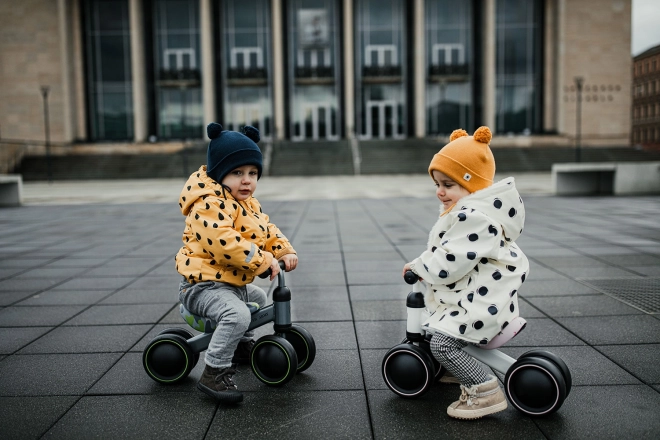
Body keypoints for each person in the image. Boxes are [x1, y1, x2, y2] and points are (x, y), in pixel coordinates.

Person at [402, 126, 529, 420]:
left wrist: (421, 268)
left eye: (449, 184)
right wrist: (423, 261)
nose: (440, 191)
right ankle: (451, 368)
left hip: (481, 304)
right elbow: (449, 249)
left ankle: (483, 390)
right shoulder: (473, 213)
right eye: (437, 183)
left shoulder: (473, 217)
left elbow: (450, 260)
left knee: (442, 342)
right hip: (479, 296)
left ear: (472, 186)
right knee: (439, 325)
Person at [175, 122, 298, 404]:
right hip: (201, 287)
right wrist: (260, 261)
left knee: (255, 295)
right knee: (239, 314)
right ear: (219, 174)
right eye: (237, 173)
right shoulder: (207, 204)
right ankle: (214, 370)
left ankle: (241, 346)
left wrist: (282, 251)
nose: (247, 181)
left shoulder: (247, 203)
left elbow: (266, 230)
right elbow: (224, 243)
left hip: (228, 285)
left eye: (253, 173)